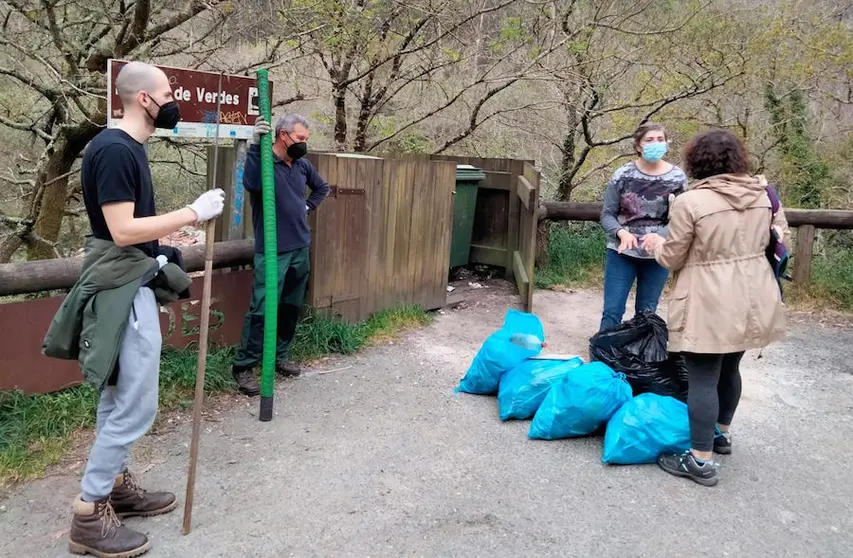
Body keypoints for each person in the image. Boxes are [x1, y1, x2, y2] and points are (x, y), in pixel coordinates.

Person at [41, 61, 226, 556]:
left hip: (129, 278)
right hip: (122, 291)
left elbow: (121, 232)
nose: (173, 100)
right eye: (167, 92)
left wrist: (161, 251)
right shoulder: (117, 150)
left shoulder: (127, 148)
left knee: (118, 394)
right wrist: (193, 212)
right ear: (144, 99)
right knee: (134, 404)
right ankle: (89, 512)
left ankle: (116, 485)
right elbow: (122, 231)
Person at [641, 129, 789, 487]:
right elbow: (779, 234)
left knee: (703, 377)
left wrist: (653, 245)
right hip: (752, 294)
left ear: (697, 161)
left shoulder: (691, 202)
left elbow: (673, 257)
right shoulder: (764, 195)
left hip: (708, 296)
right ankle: (722, 433)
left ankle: (700, 460)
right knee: (730, 368)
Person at [231, 114, 330, 396]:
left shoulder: (301, 165)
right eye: (300, 139)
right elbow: (251, 184)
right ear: (283, 135)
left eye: (306, 140)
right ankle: (244, 366)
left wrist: (307, 207)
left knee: (290, 307)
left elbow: (322, 188)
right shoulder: (264, 162)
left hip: (300, 246)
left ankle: (278, 356)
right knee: (262, 308)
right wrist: (253, 145)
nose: (303, 144)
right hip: (273, 251)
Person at [599, 122, 688, 332]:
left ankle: (640, 358)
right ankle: (603, 358)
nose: (655, 144)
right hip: (621, 252)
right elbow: (607, 215)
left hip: (657, 255)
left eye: (660, 139)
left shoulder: (677, 178)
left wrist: (661, 236)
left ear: (667, 144)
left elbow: (682, 219)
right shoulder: (622, 175)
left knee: (647, 311)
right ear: (638, 146)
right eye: (649, 140)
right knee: (612, 310)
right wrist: (621, 232)